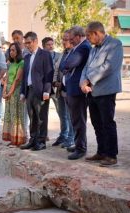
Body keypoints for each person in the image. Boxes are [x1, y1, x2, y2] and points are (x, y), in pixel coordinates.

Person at [80, 21, 123, 167]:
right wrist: (83, 82)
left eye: (88, 35)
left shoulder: (115, 44)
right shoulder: (93, 49)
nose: (87, 38)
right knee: (97, 123)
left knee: (107, 123)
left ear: (97, 33)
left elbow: (108, 67)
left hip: (106, 91)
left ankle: (111, 155)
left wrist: (89, 80)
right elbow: (86, 67)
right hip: (92, 91)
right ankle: (101, 152)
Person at [60, 26, 91, 160]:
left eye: (72, 39)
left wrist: (67, 64)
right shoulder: (76, 47)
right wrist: (66, 64)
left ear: (78, 36)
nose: (70, 42)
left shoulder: (83, 47)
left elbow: (69, 64)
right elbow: (63, 65)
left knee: (79, 120)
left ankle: (81, 148)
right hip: (71, 89)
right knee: (75, 119)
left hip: (78, 90)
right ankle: (78, 144)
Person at [19, 31, 54, 151]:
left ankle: (41, 141)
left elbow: (49, 73)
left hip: (41, 91)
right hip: (29, 91)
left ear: (35, 41)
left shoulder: (45, 54)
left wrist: (47, 91)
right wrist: (23, 92)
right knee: (32, 117)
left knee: (41, 117)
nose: (27, 45)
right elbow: (25, 76)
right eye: (25, 43)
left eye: (29, 42)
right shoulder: (27, 57)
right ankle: (33, 140)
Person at [52, 30, 75, 149]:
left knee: (70, 115)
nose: (64, 41)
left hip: (69, 90)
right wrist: (55, 81)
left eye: (66, 39)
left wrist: (63, 83)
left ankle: (71, 138)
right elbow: (57, 69)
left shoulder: (74, 53)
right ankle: (63, 135)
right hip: (59, 90)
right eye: (63, 39)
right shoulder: (62, 54)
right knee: (62, 115)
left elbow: (71, 72)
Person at [2, 42, 26, 146]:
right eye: (10, 50)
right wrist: (4, 91)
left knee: (16, 115)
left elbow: (17, 80)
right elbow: (7, 78)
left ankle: (18, 140)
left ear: (18, 52)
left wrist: (10, 92)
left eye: (13, 50)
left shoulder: (22, 63)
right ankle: (12, 139)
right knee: (9, 114)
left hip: (15, 90)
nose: (11, 52)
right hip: (8, 90)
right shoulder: (10, 63)